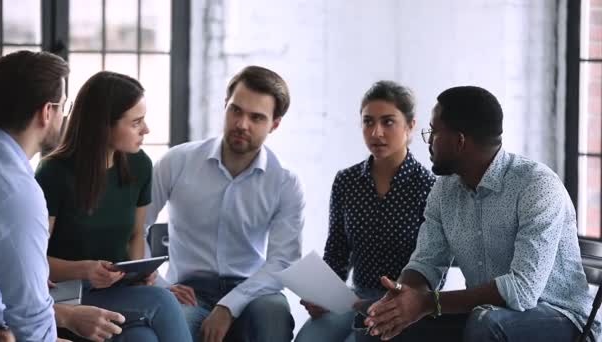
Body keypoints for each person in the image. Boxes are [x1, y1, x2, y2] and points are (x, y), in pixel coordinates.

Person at [360, 86, 600, 342]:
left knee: (486, 322)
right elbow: (425, 262)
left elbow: (522, 291)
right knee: (384, 326)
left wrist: (428, 303)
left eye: (434, 132)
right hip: (486, 316)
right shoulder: (444, 190)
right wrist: (403, 298)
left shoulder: (537, 186)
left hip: (561, 318)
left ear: (460, 141)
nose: (428, 142)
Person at [145, 65, 305, 342]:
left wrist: (229, 305)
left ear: (274, 124)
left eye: (256, 117)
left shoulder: (285, 182)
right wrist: (160, 285)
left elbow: (282, 262)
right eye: (236, 110)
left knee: (272, 314)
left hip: (252, 290)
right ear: (225, 106)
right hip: (187, 290)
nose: (242, 124)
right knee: (174, 322)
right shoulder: (177, 162)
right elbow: (137, 228)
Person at [35, 71, 192, 342]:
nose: (146, 130)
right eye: (136, 122)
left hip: (117, 291)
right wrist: (85, 269)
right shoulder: (53, 173)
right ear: (104, 125)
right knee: (161, 300)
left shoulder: (139, 165)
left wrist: (140, 274)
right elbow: (32, 260)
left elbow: (135, 235)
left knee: (142, 338)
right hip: (65, 294)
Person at [0, 50, 130, 342]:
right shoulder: (16, 193)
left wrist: (65, 316)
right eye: (63, 106)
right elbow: (30, 318)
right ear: (46, 112)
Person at [295, 81, 435, 342]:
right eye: (368, 122)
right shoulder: (346, 181)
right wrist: (322, 294)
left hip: (402, 307)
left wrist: (403, 301)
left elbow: (432, 266)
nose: (376, 132)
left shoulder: (429, 188)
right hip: (354, 300)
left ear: (410, 126)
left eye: (388, 122)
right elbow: (337, 251)